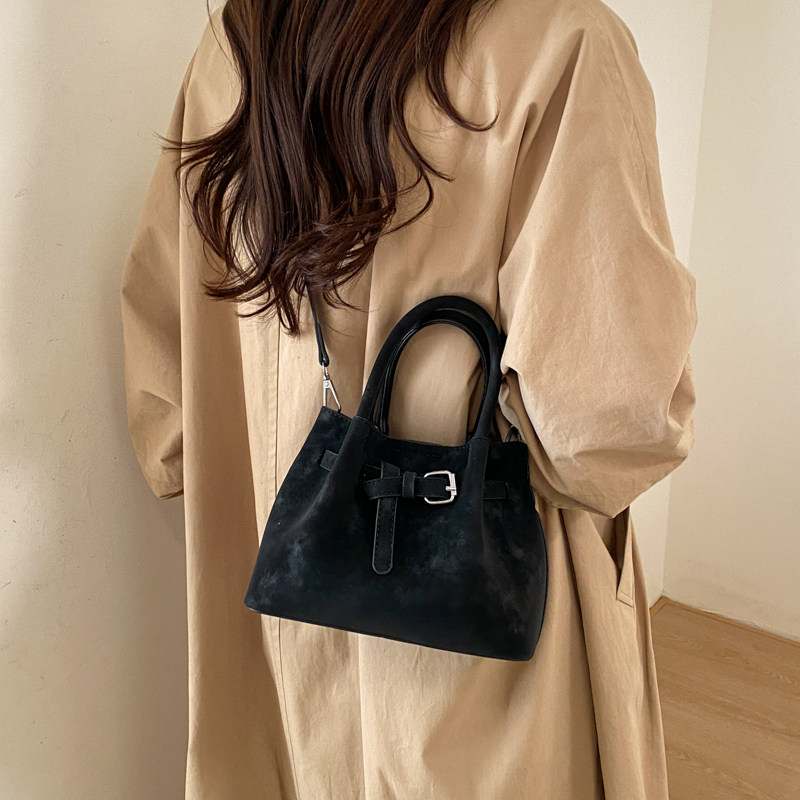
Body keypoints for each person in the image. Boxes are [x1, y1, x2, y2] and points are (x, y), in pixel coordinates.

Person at [120, 0, 697, 797]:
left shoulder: (241, 37)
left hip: (276, 600)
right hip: (481, 630)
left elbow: (166, 382)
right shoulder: (562, 41)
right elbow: (607, 429)